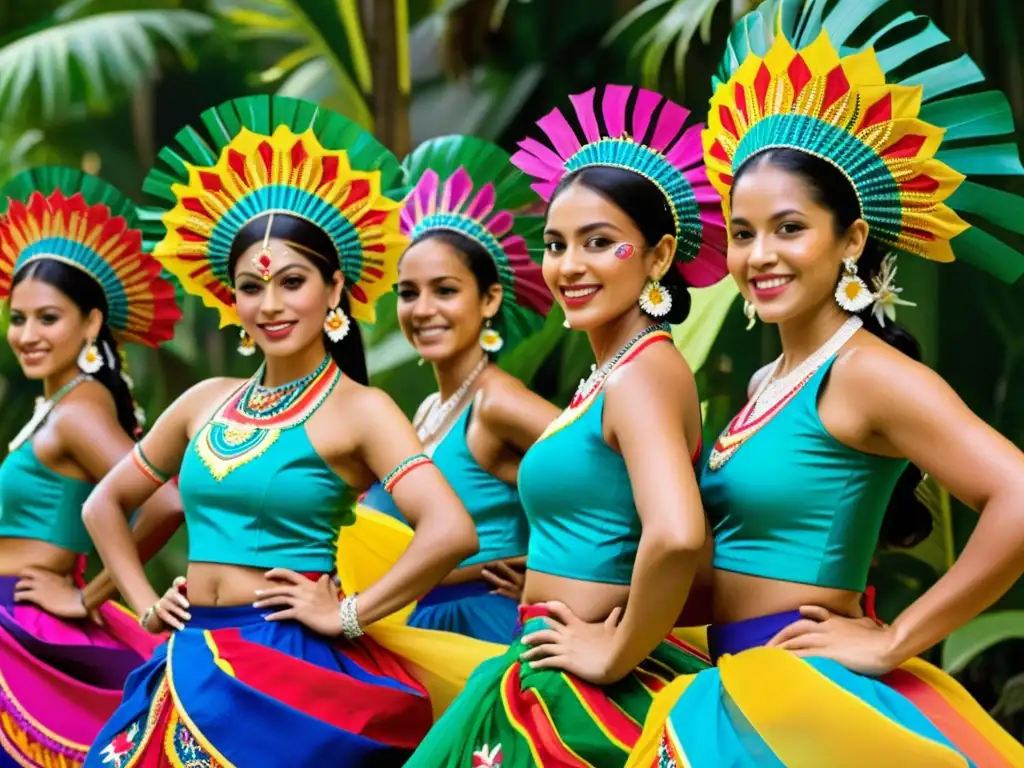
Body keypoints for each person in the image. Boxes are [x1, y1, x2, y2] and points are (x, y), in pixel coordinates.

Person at [629, 4, 1024, 765]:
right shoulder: (768, 377)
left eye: (789, 228)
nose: (759, 255)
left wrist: (897, 640)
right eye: (743, 233)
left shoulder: (869, 374)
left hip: (808, 703)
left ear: (850, 240)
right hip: (732, 685)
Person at [81, 96, 481, 767]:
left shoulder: (361, 410)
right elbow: (103, 505)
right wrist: (146, 604)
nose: (270, 304)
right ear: (230, 300)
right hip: (185, 660)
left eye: (292, 282)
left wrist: (350, 614)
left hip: (286, 667)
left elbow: (450, 531)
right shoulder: (205, 401)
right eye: (250, 287)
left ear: (334, 289)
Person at [406, 84, 729, 767]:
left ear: (660, 256)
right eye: (556, 244)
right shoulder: (609, 377)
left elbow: (676, 533)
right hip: (547, 665)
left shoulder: (641, 372)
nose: (569, 265)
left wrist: (616, 651)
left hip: (592, 685)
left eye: (600, 242)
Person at [0, 166, 183, 766]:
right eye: (17, 317)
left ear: (91, 323)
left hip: (24, 625)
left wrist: (91, 597)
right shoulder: (60, 403)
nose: (26, 334)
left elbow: (167, 497)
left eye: (47, 318)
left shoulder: (78, 412)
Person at [356, 135, 558, 643]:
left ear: (490, 299)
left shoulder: (497, 401)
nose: (423, 309)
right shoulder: (429, 408)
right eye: (408, 293)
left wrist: (543, 568)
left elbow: (615, 477)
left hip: (480, 629)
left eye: (445, 290)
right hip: (424, 624)